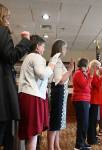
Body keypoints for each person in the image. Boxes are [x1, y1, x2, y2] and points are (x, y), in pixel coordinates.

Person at [18, 35, 60, 150]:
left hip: (27, 95)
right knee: (33, 133)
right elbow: (42, 74)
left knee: (30, 133)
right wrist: (52, 63)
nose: (44, 49)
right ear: (37, 46)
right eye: (43, 46)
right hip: (33, 97)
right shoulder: (36, 57)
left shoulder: (28, 57)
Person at [0, 3, 32, 150]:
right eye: (7, 16)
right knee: (4, 134)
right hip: (2, 94)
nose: (8, 19)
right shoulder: (1, 31)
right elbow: (10, 56)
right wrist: (25, 41)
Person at [47, 39, 74, 150]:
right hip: (57, 94)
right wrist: (70, 70)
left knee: (57, 124)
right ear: (60, 48)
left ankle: (56, 146)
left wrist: (68, 70)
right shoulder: (57, 61)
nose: (66, 50)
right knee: (54, 124)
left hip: (59, 94)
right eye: (65, 47)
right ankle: (51, 148)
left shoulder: (58, 61)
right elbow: (60, 80)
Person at [72, 58, 100, 150]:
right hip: (80, 100)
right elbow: (84, 86)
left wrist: (90, 76)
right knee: (82, 123)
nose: (88, 67)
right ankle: (79, 145)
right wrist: (91, 77)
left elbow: (88, 87)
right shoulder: (78, 73)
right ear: (84, 65)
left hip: (85, 100)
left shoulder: (84, 74)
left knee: (85, 123)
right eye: (87, 65)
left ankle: (83, 142)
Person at [87, 60, 102, 145]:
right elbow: (97, 86)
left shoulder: (95, 74)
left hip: (95, 100)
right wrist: (101, 77)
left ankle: (93, 137)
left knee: (94, 121)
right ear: (95, 66)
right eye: (98, 67)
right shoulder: (92, 74)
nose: (99, 68)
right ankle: (91, 139)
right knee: (92, 121)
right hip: (93, 100)